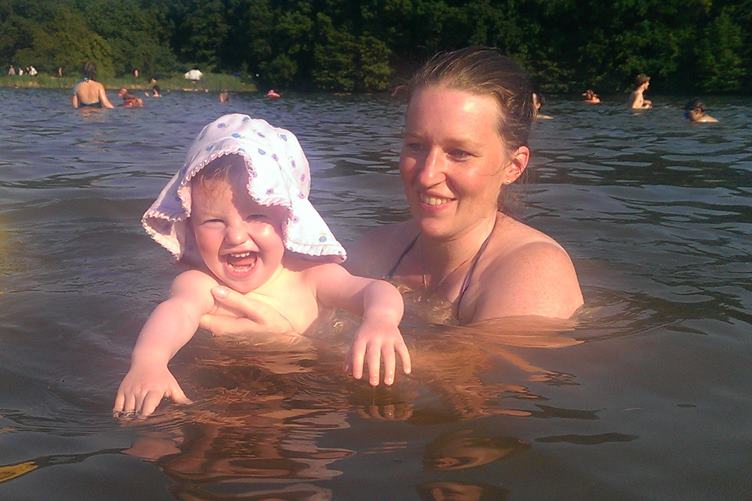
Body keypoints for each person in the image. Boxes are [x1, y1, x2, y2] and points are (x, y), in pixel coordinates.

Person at [198, 47, 583, 334]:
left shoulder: (534, 270)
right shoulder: (374, 250)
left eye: (459, 153)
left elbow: (478, 389)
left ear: (514, 166)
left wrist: (291, 347)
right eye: (415, 145)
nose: (427, 174)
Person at [113, 114, 411, 417]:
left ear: (290, 220)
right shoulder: (202, 283)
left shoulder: (309, 277)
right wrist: (149, 363)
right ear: (190, 227)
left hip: (304, 392)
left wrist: (380, 321)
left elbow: (374, 290)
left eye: (257, 216)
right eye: (214, 221)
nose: (236, 236)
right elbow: (178, 311)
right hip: (222, 392)